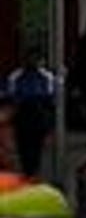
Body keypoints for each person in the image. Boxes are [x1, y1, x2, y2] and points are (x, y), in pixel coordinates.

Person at [3, 50, 58, 179]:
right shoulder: (15, 76)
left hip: (38, 115)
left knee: (36, 146)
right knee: (24, 146)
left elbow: (51, 98)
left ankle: (33, 171)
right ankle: (28, 171)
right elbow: (10, 95)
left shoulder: (47, 76)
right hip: (22, 115)